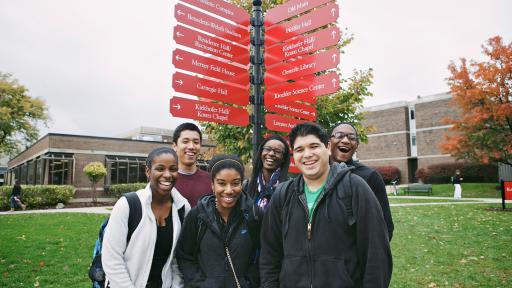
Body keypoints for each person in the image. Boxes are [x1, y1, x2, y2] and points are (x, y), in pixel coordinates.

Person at [260, 122, 392, 288]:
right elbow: (269, 254)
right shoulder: (283, 194)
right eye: (300, 149)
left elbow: (376, 254)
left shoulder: (355, 188)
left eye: (314, 146)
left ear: (328, 147)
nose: (307, 155)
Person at [102, 147, 191, 288]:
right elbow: (112, 259)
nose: (167, 175)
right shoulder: (128, 205)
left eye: (173, 169)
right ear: (148, 171)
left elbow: (177, 260)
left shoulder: (183, 208)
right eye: (160, 168)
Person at [176, 154, 259, 288]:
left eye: (235, 183)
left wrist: (248, 282)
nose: (229, 190)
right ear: (212, 185)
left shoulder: (253, 214)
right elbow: (185, 256)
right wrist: (201, 285)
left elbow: (264, 255)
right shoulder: (197, 215)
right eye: (221, 183)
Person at [329, 122, 394, 240]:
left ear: (357, 145)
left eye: (352, 137)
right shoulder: (316, 174)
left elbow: (385, 226)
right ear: (328, 143)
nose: (345, 140)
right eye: (339, 135)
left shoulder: (370, 177)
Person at [245, 134, 290, 213]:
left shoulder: (290, 188)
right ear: (261, 152)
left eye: (278, 151)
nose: (271, 153)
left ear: (283, 158)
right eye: (267, 149)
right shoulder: (247, 185)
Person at [172, 123, 212, 207]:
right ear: (175, 146)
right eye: (185, 141)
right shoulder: (167, 180)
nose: (191, 146)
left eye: (196, 142)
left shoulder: (211, 180)